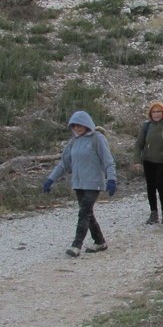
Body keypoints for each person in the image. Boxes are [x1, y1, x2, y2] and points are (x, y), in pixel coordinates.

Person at [42, 110, 117, 258]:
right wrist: (50, 180)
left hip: (94, 183)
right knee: (88, 214)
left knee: (83, 213)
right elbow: (63, 164)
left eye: (80, 125)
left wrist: (111, 179)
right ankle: (100, 242)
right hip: (78, 184)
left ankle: (76, 245)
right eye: (74, 125)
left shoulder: (97, 138)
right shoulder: (73, 143)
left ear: (87, 124)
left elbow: (108, 160)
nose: (77, 128)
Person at [133, 101, 163, 225]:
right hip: (148, 160)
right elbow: (139, 144)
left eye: (158, 111)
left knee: (160, 184)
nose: (156, 114)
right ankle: (154, 213)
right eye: (154, 112)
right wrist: (137, 160)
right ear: (150, 114)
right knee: (150, 186)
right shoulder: (146, 126)